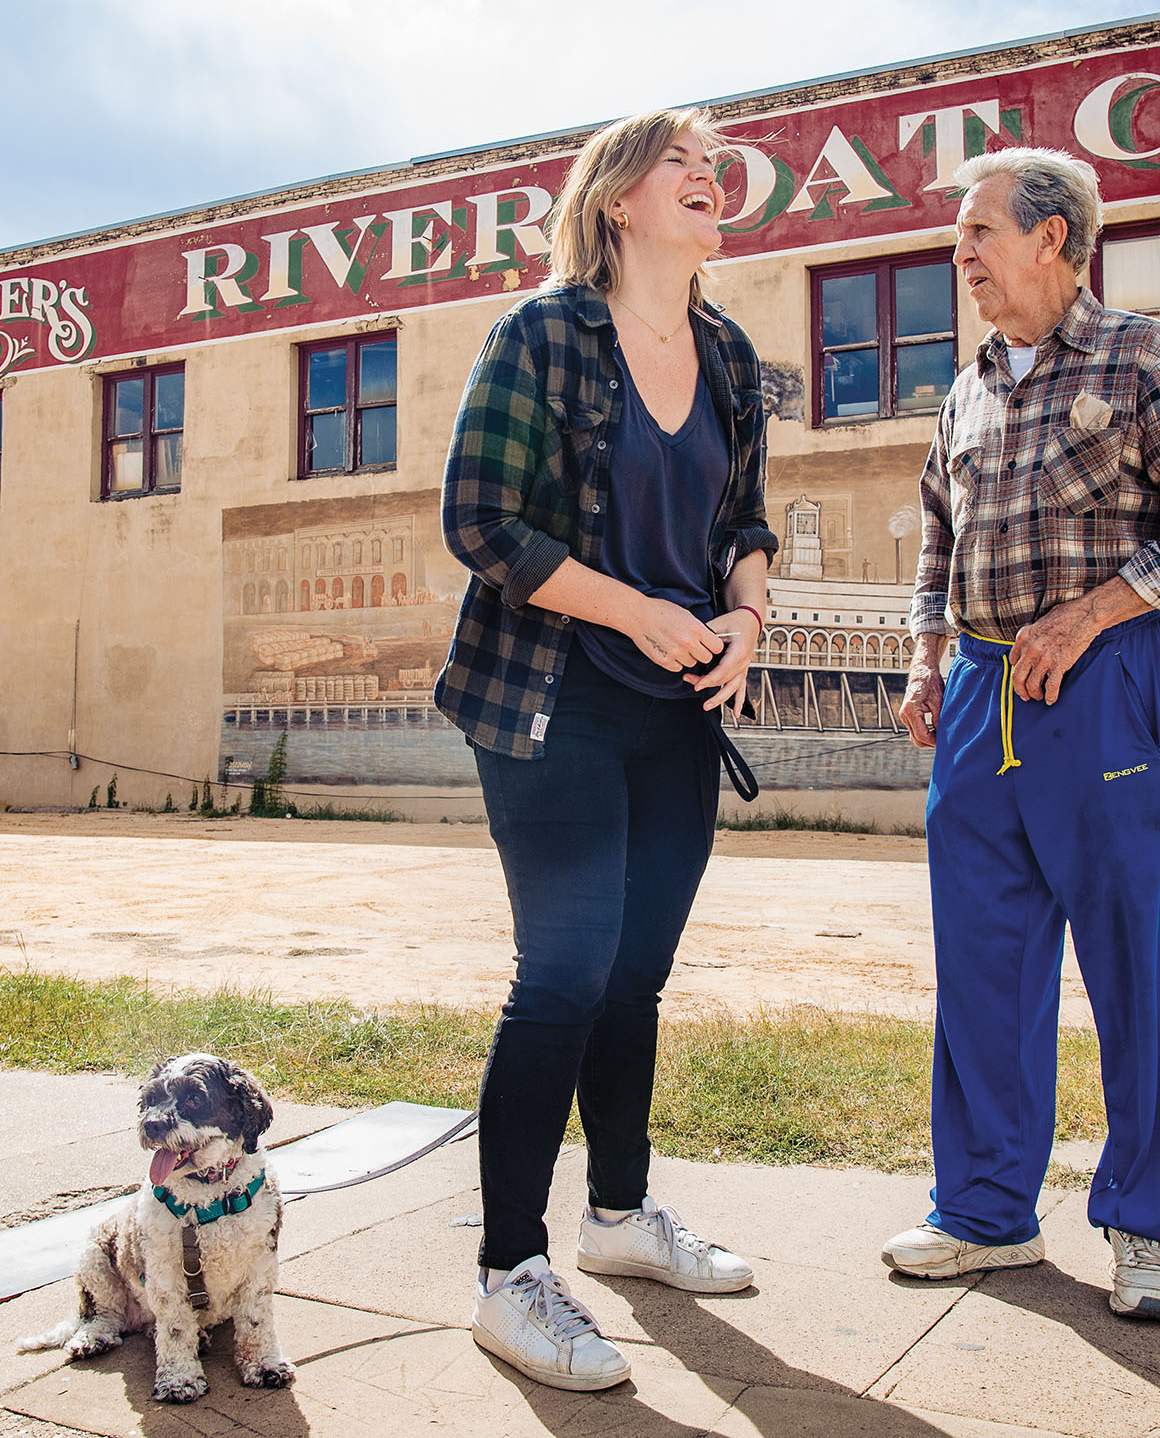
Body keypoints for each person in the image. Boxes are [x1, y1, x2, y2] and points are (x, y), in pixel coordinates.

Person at [435, 107, 776, 1391]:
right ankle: (508, 1273)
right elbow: (481, 519)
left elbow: (743, 517)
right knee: (565, 972)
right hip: (553, 695)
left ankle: (622, 1221)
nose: (708, 176)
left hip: (675, 710)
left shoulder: (731, 354)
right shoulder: (543, 334)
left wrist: (745, 615)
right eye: (679, 163)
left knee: (635, 976)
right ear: (619, 199)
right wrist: (637, 608)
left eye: (713, 165)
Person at [883, 147, 1160, 1320]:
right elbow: (938, 537)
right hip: (981, 696)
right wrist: (928, 655)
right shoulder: (966, 384)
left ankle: (1147, 1229)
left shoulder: (1149, 356)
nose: (963, 257)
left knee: (1137, 966)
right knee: (984, 966)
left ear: (1053, 238)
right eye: (961, 237)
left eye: (980, 232)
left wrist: (1088, 616)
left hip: (1101, 676)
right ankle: (986, 1211)